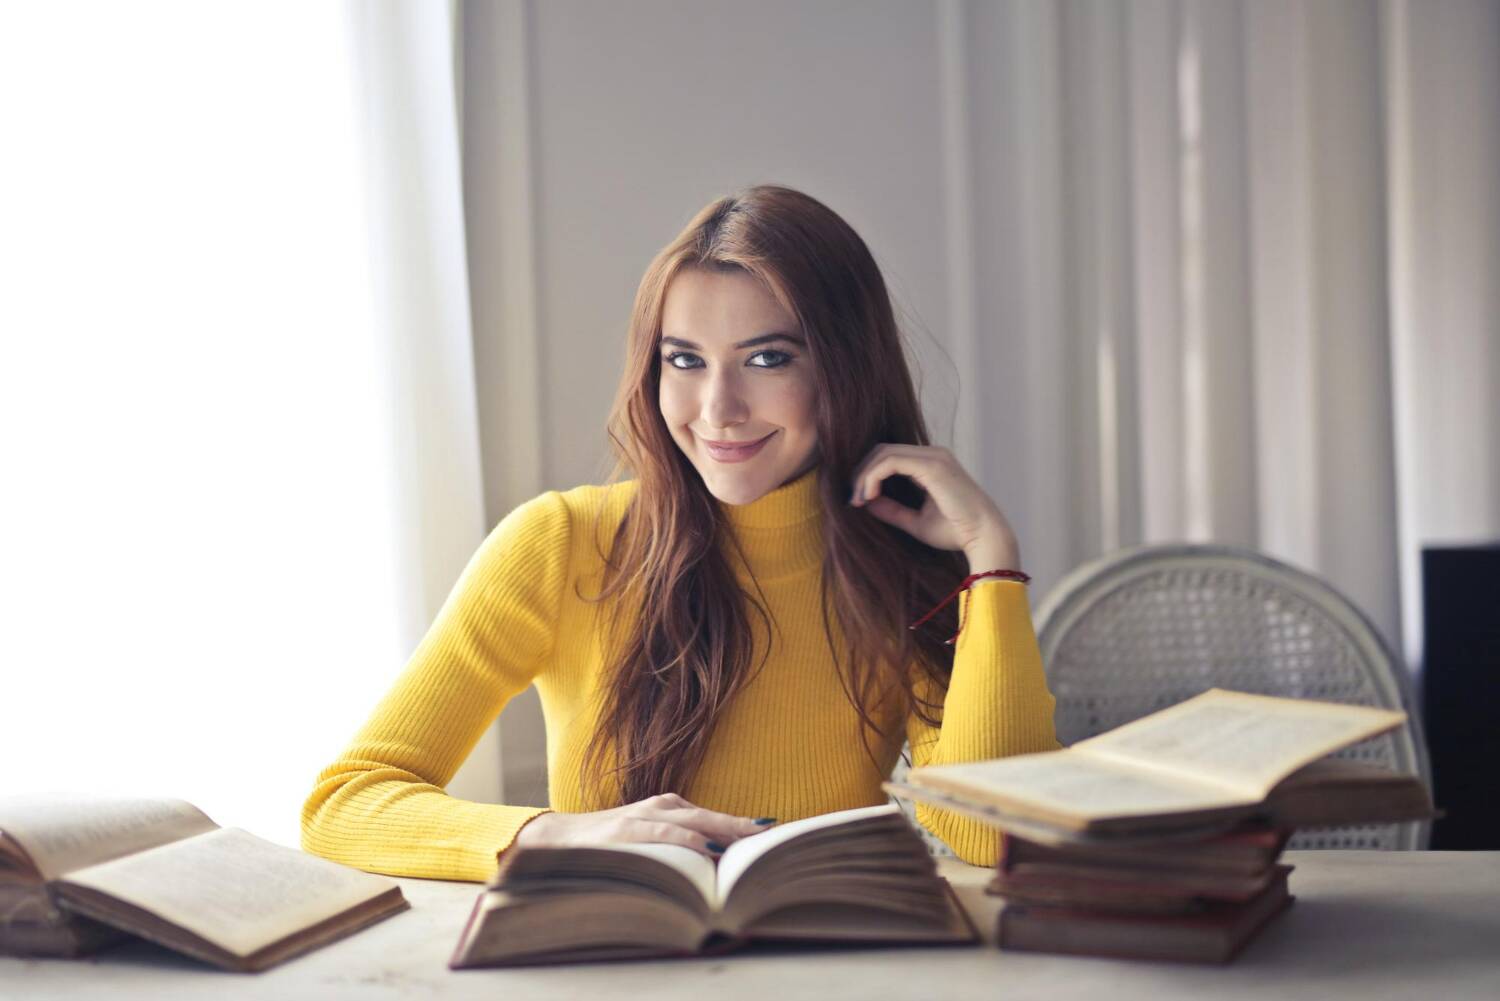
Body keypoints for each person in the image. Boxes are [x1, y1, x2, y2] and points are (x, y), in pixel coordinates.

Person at [301, 184, 1058, 882]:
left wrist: (990, 558)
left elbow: (991, 836)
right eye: (685, 360)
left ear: (845, 367)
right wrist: (559, 833)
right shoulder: (561, 543)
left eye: (766, 358)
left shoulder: (892, 566)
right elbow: (346, 801)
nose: (717, 407)